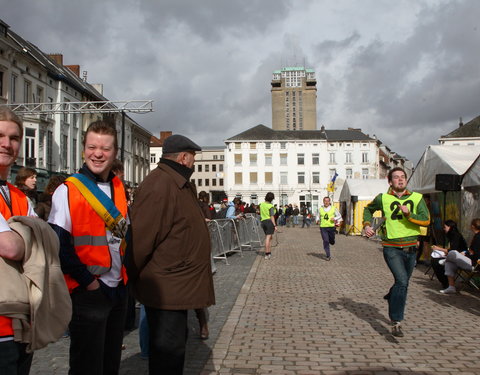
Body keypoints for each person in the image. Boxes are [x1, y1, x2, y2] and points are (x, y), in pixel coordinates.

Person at [127, 134, 215, 374]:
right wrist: (132, 278)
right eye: (193, 158)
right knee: (167, 353)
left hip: (176, 286)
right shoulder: (161, 184)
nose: (194, 164)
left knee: (174, 350)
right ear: (184, 158)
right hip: (166, 287)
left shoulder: (177, 183)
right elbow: (141, 240)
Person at [49, 120, 129, 374]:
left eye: (105, 149)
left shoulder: (118, 186)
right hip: (88, 291)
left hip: (117, 289)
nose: (98, 153)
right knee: (87, 366)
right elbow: (59, 245)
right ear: (83, 149)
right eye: (92, 147)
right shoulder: (68, 189)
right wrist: (89, 283)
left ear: (115, 152)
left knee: (109, 364)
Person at [363, 167, 430, 338]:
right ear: (390, 181)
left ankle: (392, 294)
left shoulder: (417, 198)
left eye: (403, 177)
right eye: (396, 177)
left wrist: (409, 215)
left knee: (403, 284)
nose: (400, 180)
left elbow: (426, 220)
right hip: (391, 247)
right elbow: (368, 209)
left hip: (411, 248)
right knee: (401, 280)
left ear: (406, 180)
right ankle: (396, 321)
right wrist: (367, 225)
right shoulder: (383, 198)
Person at [0, 106, 38, 374]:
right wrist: (31, 238)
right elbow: (11, 247)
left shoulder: (20, 196)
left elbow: (48, 247)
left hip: (22, 320)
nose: (7, 144)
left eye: (14, 138)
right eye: (0, 136)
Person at [439, 218, 480, 294]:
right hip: (471, 260)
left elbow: (476, 253)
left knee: (453, 253)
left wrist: (466, 254)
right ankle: (451, 287)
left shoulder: (478, 237)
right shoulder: (477, 236)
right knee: (450, 263)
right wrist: (466, 252)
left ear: (473, 226)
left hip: (475, 263)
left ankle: (446, 259)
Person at [430, 220, 468, 289]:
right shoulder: (451, 235)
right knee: (435, 260)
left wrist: (439, 249)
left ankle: (446, 283)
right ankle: (445, 282)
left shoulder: (456, 235)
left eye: (445, 227)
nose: (444, 229)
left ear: (450, 227)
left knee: (436, 262)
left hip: (460, 256)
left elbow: (453, 250)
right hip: (454, 255)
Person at [318, 197, 342, 261]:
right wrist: (317, 220)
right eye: (325, 201)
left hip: (331, 227)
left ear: (329, 202)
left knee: (331, 240)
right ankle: (328, 255)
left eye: (327, 201)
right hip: (323, 227)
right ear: (323, 202)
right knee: (325, 241)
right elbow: (318, 216)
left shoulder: (333, 208)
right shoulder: (320, 209)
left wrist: (335, 218)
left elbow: (339, 216)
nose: (326, 202)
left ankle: (332, 240)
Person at [259, 192, 277, 260]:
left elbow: (260, 213)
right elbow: (272, 216)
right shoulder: (270, 206)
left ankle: (269, 252)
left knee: (270, 237)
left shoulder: (261, 205)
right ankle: (267, 253)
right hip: (269, 221)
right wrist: (275, 225)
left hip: (263, 222)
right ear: (271, 199)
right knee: (268, 237)